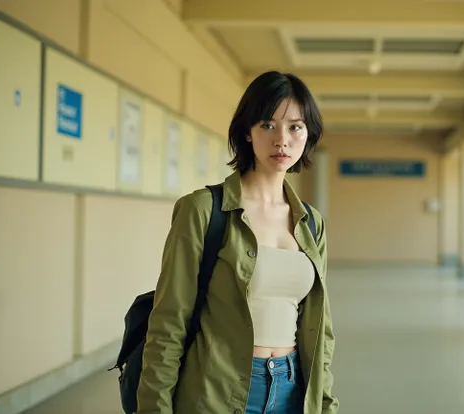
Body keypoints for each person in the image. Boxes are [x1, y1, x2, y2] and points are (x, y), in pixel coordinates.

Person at [136, 71, 339, 414]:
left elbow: (322, 332)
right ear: (247, 132)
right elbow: (169, 322)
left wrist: (325, 404)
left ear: (308, 134)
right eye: (267, 125)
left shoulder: (312, 223)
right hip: (218, 389)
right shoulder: (203, 210)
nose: (282, 140)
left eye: (295, 127)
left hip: (293, 391)